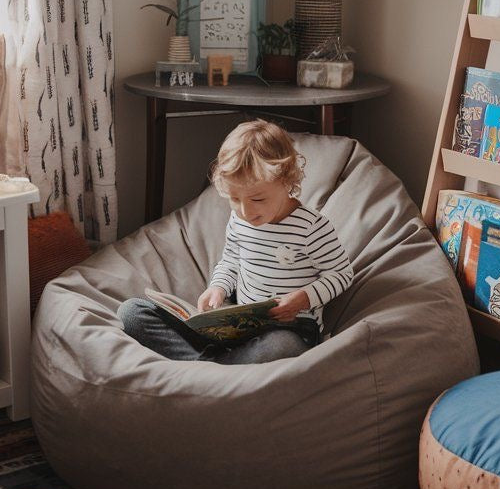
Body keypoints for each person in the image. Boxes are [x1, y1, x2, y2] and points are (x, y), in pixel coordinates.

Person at [117, 119, 354, 364]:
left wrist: (305, 297)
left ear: (286, 180)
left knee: (283, 347)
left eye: (258, 199)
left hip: (290, 328)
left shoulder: (311, 227)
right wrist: (217, 288)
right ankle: (216, 365)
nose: (245, 211)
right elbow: (231, 261)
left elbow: (341, 274)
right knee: (132, 312)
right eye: (234, 199)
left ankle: (207, 366)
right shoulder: (239, 220)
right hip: (236, 328)